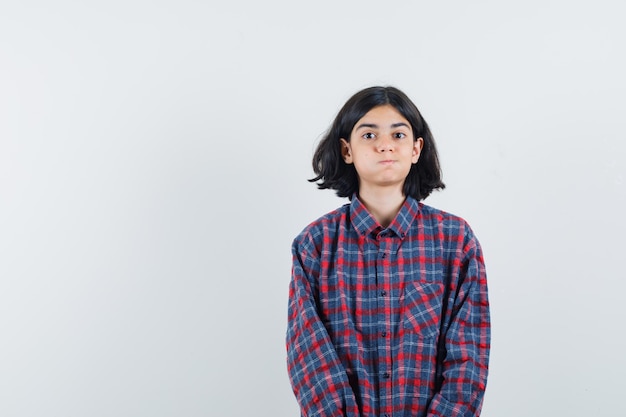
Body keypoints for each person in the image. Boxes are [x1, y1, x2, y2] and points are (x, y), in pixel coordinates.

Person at [286, 86, 491, 417]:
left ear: (416, 149)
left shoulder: (455, 240)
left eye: (399, 134)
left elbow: (469, 355)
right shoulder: (315, 244)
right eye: (368, 134)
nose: (385, 144)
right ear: (346, 150)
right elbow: (308, 353)